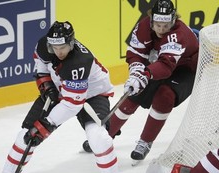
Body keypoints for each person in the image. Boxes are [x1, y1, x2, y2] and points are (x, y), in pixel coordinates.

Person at [0, 21, 122, 173]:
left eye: (63, 47)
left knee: (98, 137)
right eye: (54, 47)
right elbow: (40, 61)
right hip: (60, 89)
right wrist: (46, 83)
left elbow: (72, 104)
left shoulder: (79, 62)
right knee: (26, 135)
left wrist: (45, 126)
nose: (58, 51)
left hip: (92, 94)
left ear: (71, 43)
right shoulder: (45, 45)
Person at [83, 0, 199, 164]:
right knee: (134, 92)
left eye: (166, 25)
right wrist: (136, 72)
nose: (161, 29)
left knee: (164, 96)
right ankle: (105, 136)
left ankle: (146, 142)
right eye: (158, 24)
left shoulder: (178, 34)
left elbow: (166, 66)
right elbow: (135, 54)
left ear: (173, 20)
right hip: (159, 64)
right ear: (151, 20)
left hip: (185, 69)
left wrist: (145, 74)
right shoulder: (143, 26)